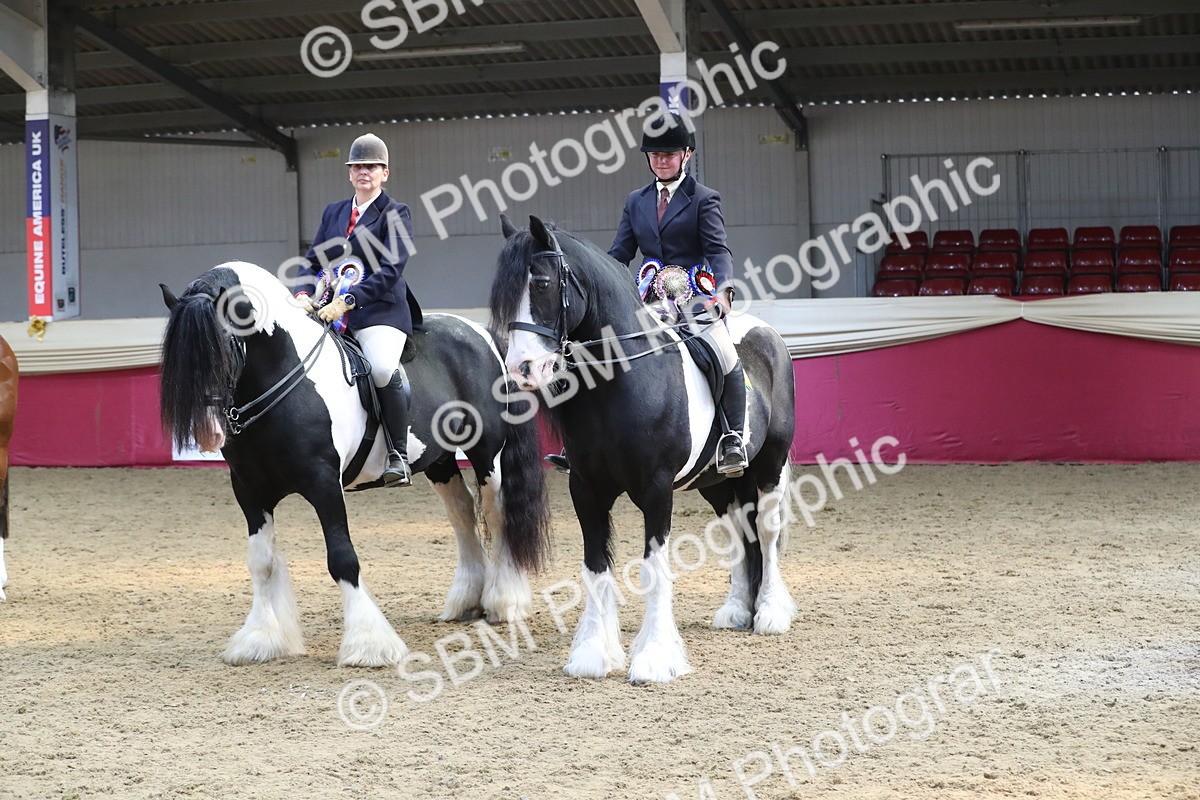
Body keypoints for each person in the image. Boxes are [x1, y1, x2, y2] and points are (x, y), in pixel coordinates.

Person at [546, 112, 749, 476]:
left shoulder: (704, 199)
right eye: (655, 155)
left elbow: (718, 250)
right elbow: (620, 254)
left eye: (668, 154)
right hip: (646, 297)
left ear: (686, 155)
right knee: (595, 351)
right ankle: (578, 441)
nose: (661, 161)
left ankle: (732, 437)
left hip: (693, 297)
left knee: (723, 352)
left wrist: (723, 290)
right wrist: (595, 284)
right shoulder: (635, 200)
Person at [296, 132, 422, 487]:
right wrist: (304, 293)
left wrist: (349, 300)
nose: (363, 172)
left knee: (381, 368)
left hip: (379, 311)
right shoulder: (333, 212)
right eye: (357, 167)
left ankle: (398, 454)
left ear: (385, 173)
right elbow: (312, 261)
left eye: (371, 166)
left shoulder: (396, 213)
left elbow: (392, 269)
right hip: (328, 310)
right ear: (350, 173)